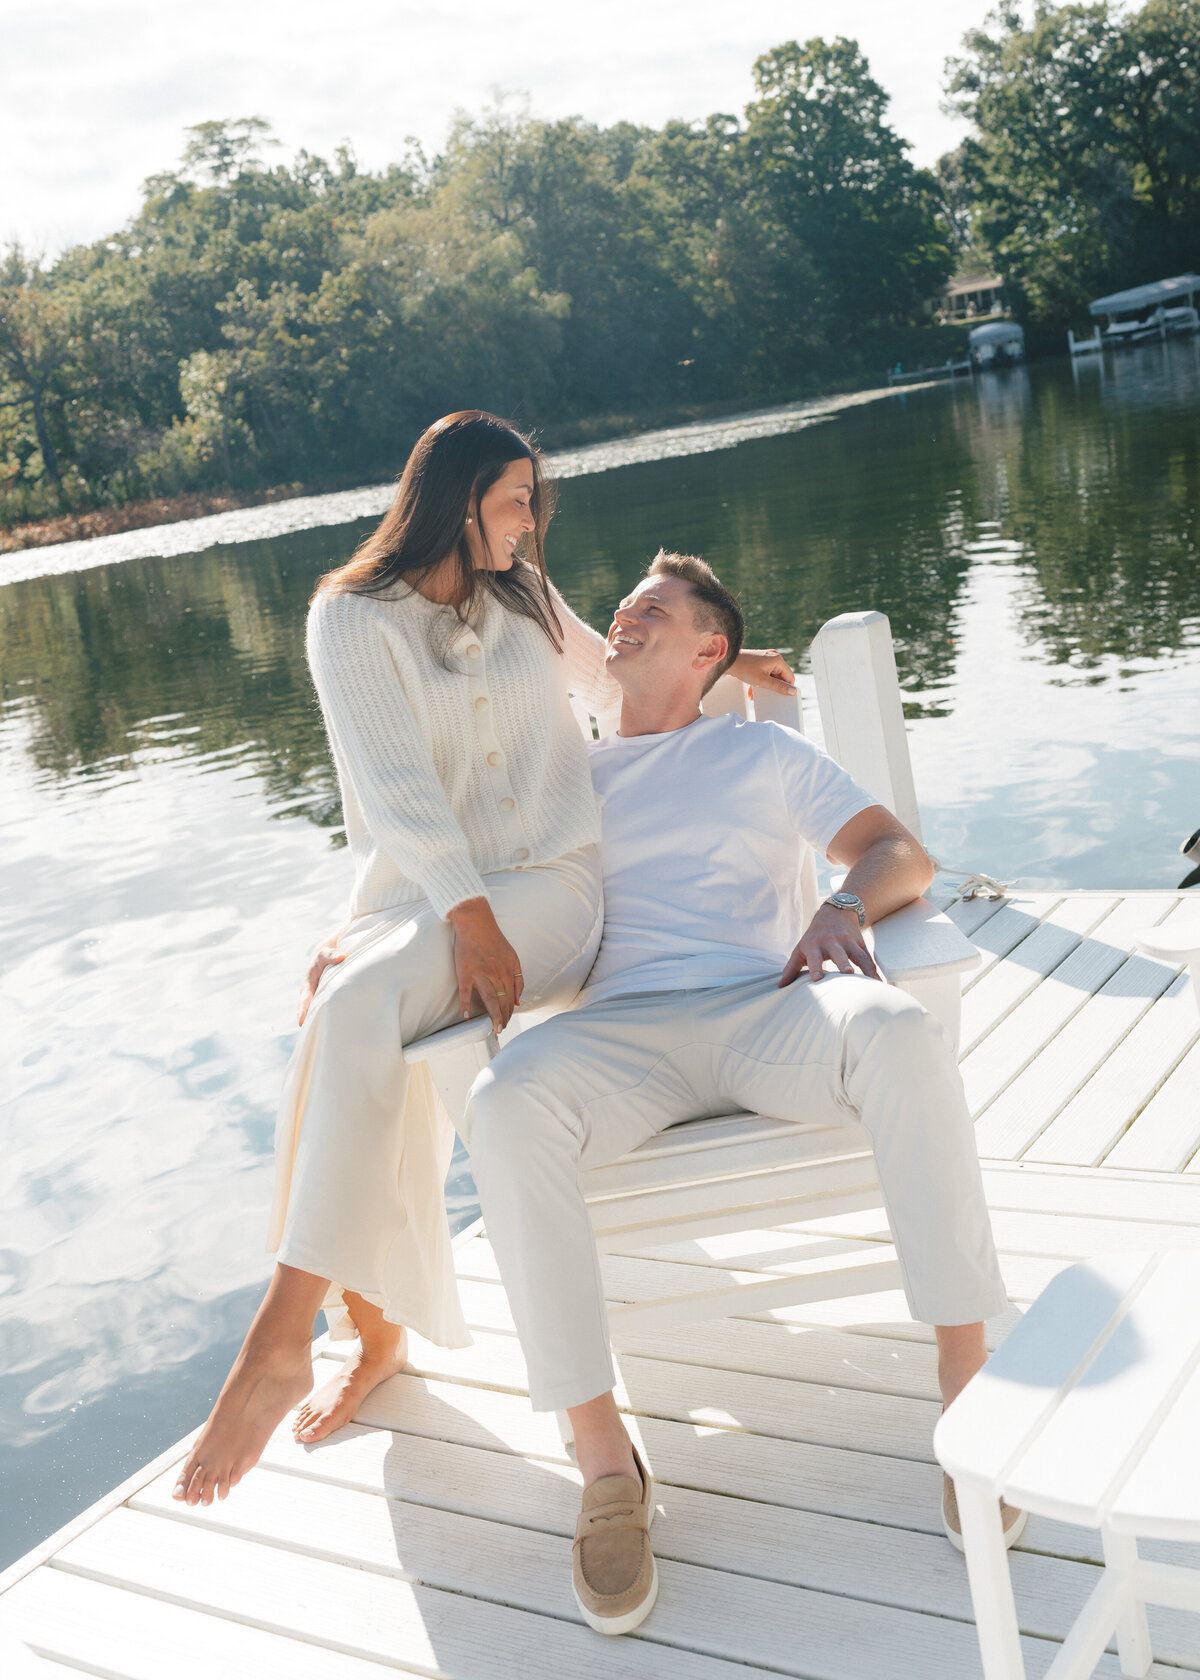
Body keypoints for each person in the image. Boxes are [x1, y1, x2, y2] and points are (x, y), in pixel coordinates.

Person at [172, 415, 792, 1509]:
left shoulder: (521, 597)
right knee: (354, 1004)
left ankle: (297, 1335)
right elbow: (398, 791)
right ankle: (334, 1336)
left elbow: (612, 685)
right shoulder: (348, 619)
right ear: (460, 499)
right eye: (517, 499)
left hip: (551, 892)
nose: (532, 520)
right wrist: (458, 917)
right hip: (434, 900)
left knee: (361, 1000)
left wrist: (726, 662)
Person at [459, 550, 1020, 1637]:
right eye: (624, 603)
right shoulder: (563, 774)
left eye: (654, 609)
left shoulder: (759, 748)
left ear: (709, 648)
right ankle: (605, 1466)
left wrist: (845, 908)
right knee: (503, 1101)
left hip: (769, 1007)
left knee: (899, 1032)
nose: (625, 614)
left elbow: (900, 853)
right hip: (623, 1032)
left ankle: (968, 1397)